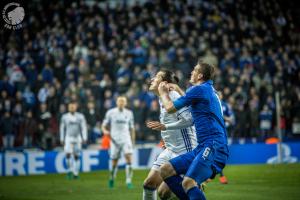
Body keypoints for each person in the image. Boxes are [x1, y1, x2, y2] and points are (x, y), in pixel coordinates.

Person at [158, 61, 229, 200]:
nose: (192, 72)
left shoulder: (199, 90)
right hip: (203, 146)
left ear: (200, 75)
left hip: (213, 145)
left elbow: (170, 108)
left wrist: (163, 93)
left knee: (188, 182)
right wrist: (178, 90)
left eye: (195, 70)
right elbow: (192, 107)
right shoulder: (206, 90)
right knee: (165, 170)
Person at [143, 69, 197, 200]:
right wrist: (166, 138)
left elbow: (190, 120)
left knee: (165, 193)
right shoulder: (162, 98)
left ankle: (195, 190)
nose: (152, 80)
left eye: (156, 77)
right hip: (171, 149)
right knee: (149, 184)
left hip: (185, 150)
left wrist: (165, 127)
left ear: (164, 83)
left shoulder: (172, 96)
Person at [102, 96, 135, 189]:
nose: (121, 103)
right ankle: (112, 178)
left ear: (125, 103)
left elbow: (132, 128)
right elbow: (104, 125)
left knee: (129, 158)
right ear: (116, 102)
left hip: (126, 139)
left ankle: (128, 181)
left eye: (123, 101)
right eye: (119, 101)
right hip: (114, 140)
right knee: (114, 162)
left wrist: (132, 141)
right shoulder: (110, 112)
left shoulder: (129, 113)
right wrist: (104, 131)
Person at [60, 101, 87, 179]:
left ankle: (76, 173)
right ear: (68, 108)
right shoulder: (64, 117)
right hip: (68, 137)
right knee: (68, 154)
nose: (72, 108)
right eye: (70, 107)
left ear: (76, 107)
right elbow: (62, 128)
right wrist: (62, 138)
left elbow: (83, 127)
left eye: (73, 106)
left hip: (77, 137)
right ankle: (68, 171)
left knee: (76, 156)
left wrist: (84, 137)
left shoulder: (80, 116)